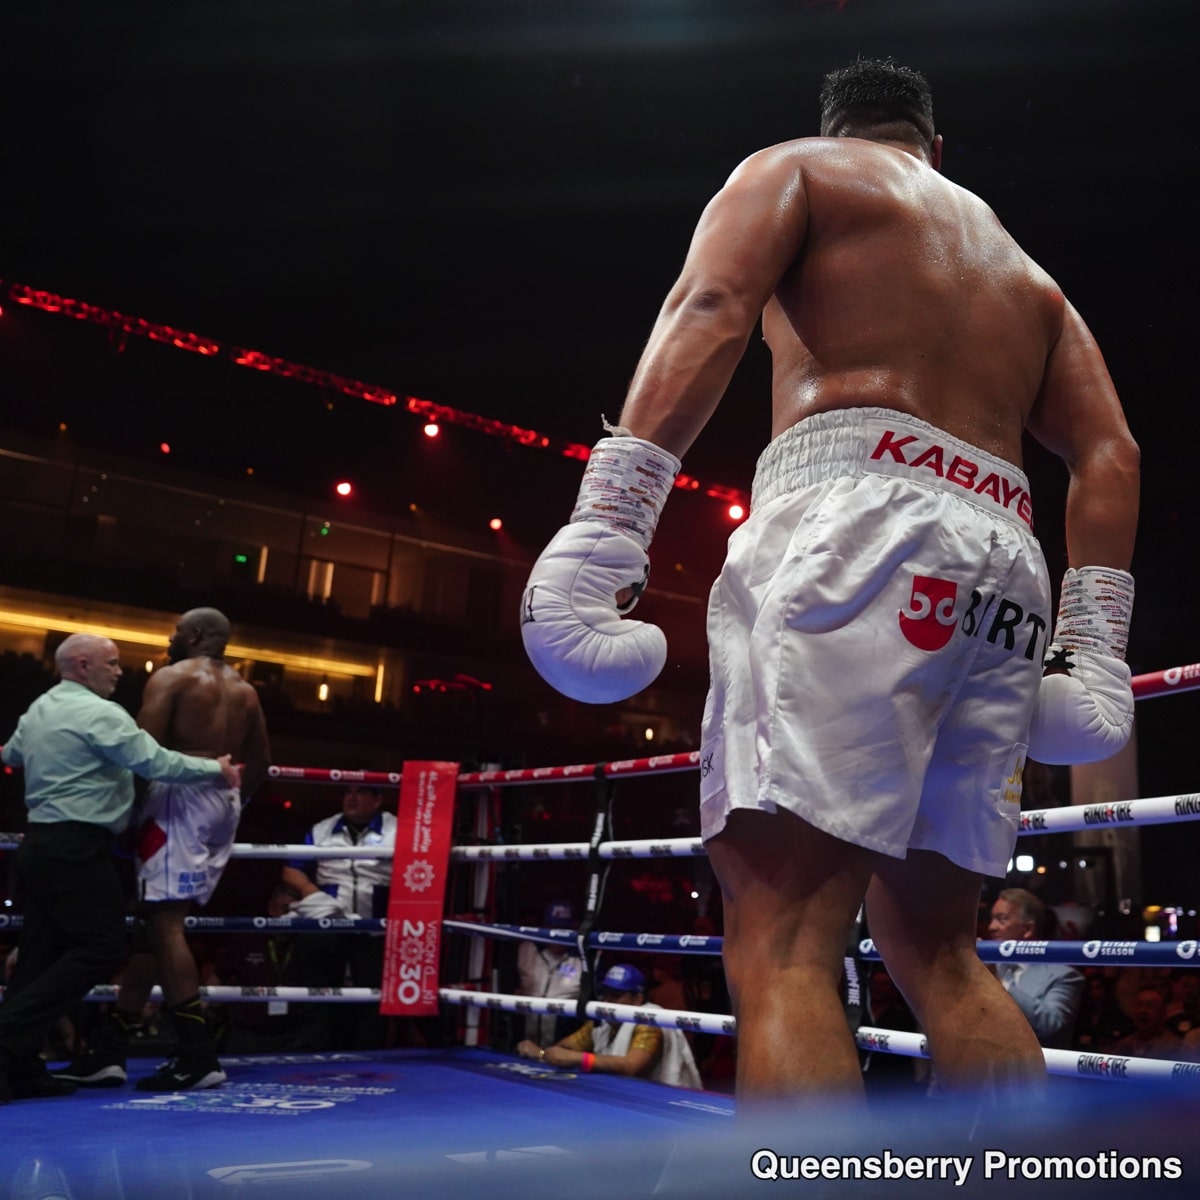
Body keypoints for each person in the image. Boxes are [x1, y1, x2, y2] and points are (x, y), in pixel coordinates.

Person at [520, 57, 1139, 1103]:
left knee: (785, 945)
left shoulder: (800, 170)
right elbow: (1110, 452)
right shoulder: (1032, 281)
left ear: (842, 126)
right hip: (1003, 565)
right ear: (936, 148)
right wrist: (1097, 642)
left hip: (857, 522)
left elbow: (711, 304)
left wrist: (611, 520)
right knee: (941, 952)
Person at [0, 632, 239, 1105]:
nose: (119, 671)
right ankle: (9, 1032)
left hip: (40, 845)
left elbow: (10, 754)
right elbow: (153, 761)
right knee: (102, 943)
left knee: (41, 953)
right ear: (84, 665)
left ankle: (17, 1066)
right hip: (76, 847)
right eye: (111, 663)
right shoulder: (99, 713)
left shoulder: (40, 708)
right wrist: (217, 770)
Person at [56, 607, 269, 1092]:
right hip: (222, 799)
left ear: (194, 636)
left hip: (178, 797)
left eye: (176, 633)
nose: (171, 640)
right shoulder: (245, 690)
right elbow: (262, 760)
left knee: (165, 923)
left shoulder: (172, 677)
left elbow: (141, 751)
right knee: (155, 922)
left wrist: (123, 815)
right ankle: (111, 1050)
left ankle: (197, 1055)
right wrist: (232, 802)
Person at [280, 783, 396, 1049]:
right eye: (347, 792)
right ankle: (312, 1052)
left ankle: (372, 1058)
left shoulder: (399, 830)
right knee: (318, 991)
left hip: (376, 927)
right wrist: (312, 891)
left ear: (377, 799)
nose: (351, 797)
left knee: (373, 998)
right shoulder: (322, 829)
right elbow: (291, 870)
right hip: (327, 922)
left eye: (360, 792)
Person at [515, 963, 701, 1089]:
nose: (607, 1002)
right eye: (605, 994)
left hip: (667, 1107)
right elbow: (564, 1049)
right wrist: (540, 1053)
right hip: (629, 1101)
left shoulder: (648, 1019)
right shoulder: (603, 1020)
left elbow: (631, 1065)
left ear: (637, 999)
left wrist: (579, 1058)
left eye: (616, 996)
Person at [985, 888, 1084, 1050]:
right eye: (992, 919)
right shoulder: (984, 967)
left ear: (1028, 930)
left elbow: (1050, 1026)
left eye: (1001, 919)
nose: (991, 927)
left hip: (1036, 1070)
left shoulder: (1065, 976)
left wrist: (1000, 983)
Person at [514, 899, 583, 1046]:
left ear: (574, 928)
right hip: (524, 1044)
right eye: (553, 928)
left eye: (563, 930)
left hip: (562, 1049)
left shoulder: (584, 960)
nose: (557, 935)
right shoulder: (527, 950)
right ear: (544, 926)